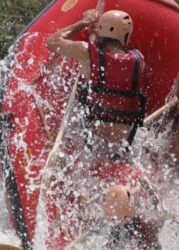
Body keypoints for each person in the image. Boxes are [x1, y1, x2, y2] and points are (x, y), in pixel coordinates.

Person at [46, 9, 147, 154]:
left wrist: (84, 22)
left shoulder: (85, 51)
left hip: (91, 142)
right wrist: (95, 37)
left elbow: (52, 42)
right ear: (125, 35)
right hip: (123, 144)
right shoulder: (139, 61)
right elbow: (109, 62)